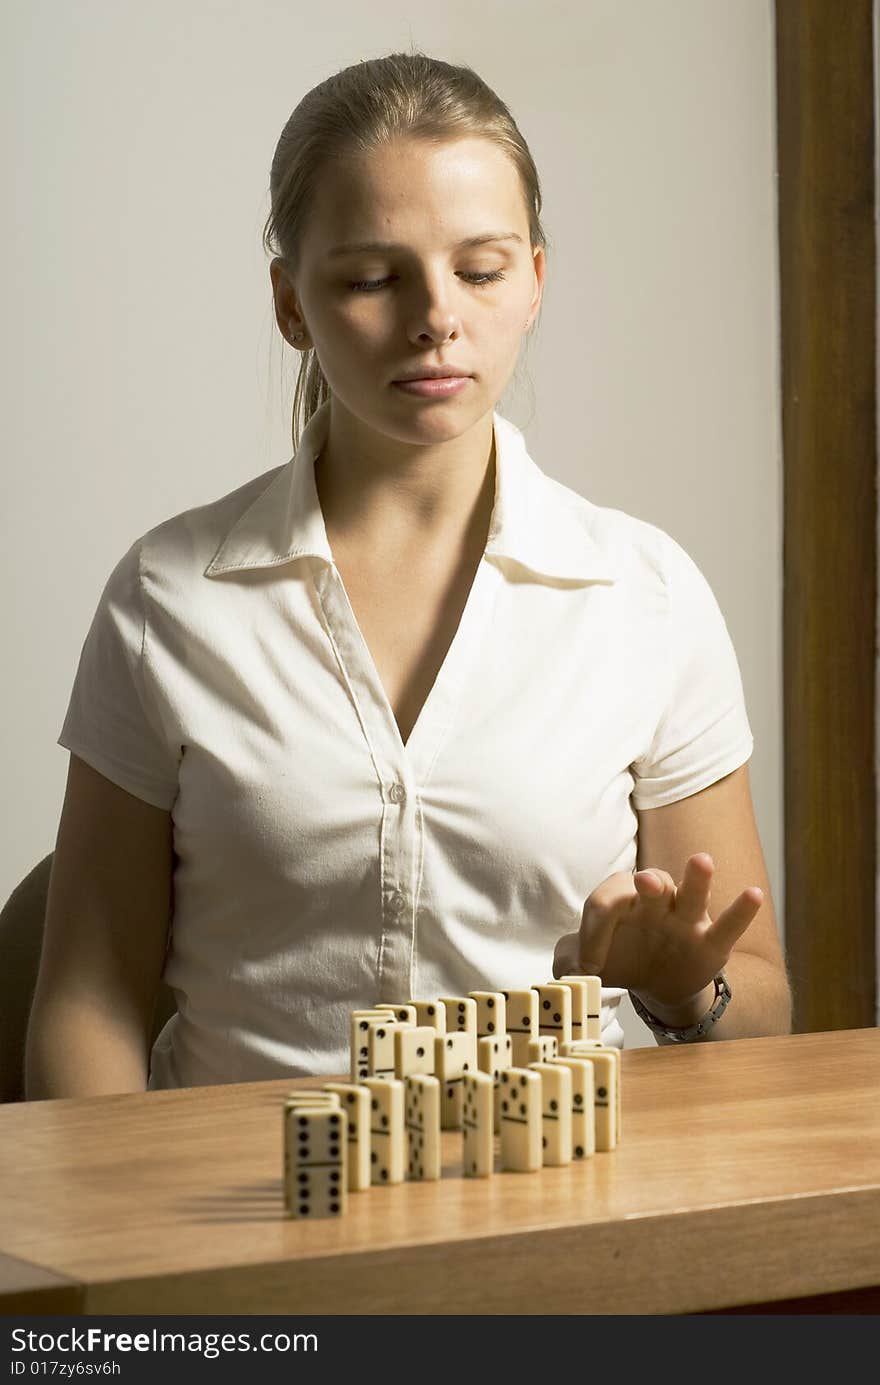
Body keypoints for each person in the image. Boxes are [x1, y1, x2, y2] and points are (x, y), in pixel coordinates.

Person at [25, 51, 791, 1100]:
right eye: (372, 277)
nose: (436, 315)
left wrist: (681, 990)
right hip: (242, 1217)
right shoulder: (170, 598)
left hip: (563, 1209)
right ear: (291, 304)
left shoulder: (645, 596)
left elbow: (759, 1005)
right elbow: (89, 999)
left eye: (478, 269)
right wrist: (122, 1247)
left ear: (533, 280)